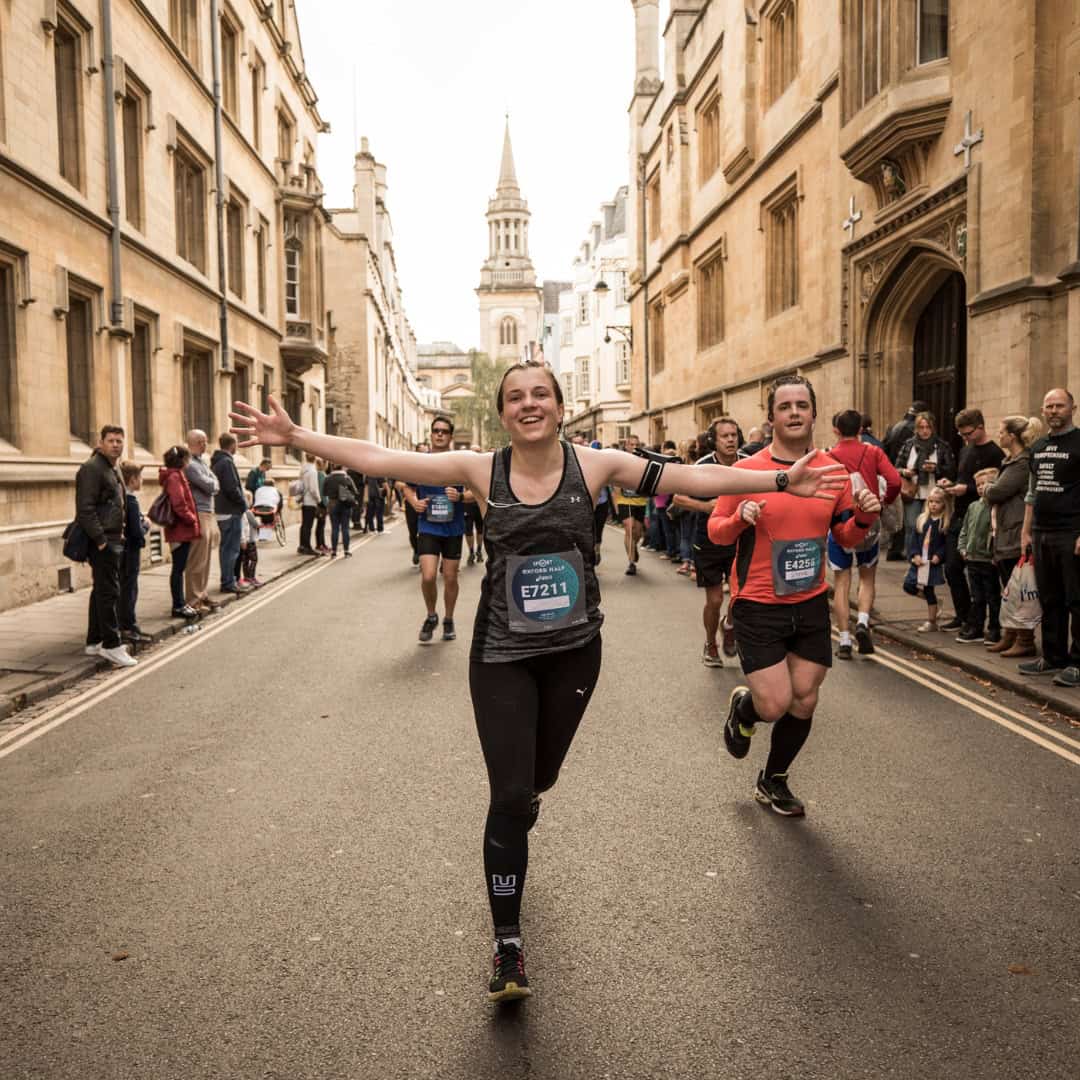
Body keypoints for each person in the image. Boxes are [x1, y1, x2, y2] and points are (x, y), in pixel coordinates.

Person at [229, 359, 843, 1003]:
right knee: (510, 798)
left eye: (541, 394)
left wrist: (780, 477)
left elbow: (689, 476)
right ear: (502, 413)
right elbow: (380, 458)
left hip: (575, 655)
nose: (530, 404)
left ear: (556, 405)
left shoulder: (597, 464)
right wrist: (296, 438)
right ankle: (508, 945)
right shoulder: (477, 469)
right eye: (516, 397)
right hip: (501, 655)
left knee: (539, 779)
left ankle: (531, 797)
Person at [711, 376, 881, 818]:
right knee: (774, 703)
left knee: (804, 697)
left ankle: (774, 779)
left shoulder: (834, 472)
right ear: (771, 417)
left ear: (814, 413)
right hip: (758, 602)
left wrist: (863, 517)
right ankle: (745, 711)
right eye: (784, 405)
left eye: (801, 405)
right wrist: (741, 520)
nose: (793, 412)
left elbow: (845, 537)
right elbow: (715, 529)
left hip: (808, 601)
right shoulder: (748, 472)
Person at [1019, 388, 1080, 687]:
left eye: (1060, 406)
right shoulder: (1039, 446)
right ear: (1043, 411)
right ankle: (1053, 657)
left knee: (1076, 599)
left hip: (1071, 532)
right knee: (1050, 598)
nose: (1054, 410)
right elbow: (1033, 492)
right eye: (1049, 406)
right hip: (1042, 531)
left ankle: (1078, 663)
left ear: (1073, 408)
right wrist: (1026, 530)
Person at [827, 409, 901, 659]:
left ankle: (845, 641)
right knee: (867, 578)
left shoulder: (829, 456)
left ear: (836, 430)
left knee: (841, 581)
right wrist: (883, 502)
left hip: (839, 523)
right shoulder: (873, 452)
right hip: (868, 521)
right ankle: (863, 621)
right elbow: (895, 481)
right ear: (861, 429)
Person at [672, 416, 741, 667]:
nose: (731, 440)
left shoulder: (747, 464)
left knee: (740, 596)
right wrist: (706, 506)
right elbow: (678, 498)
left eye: (734, 435)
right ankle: (711, 643)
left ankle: (730, 626)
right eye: (725, 436)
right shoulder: (701, 466)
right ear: (714, 440)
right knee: (714, 600)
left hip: (740, 539)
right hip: (709, 539)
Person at [937, 408, 1005, 635]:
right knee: (952, 568)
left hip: (982, 519)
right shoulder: (966, 450)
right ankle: (963, 615)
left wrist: (968, 488)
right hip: (960, 516)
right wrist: (952, 483)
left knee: (982, 578)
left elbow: (996, 487)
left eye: (968, 434)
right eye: (962, 435)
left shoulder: (995, 453)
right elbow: (962, 478)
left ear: (980, 427)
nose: (965, 438)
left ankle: (984, 624)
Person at [982, 414, 1044, 657]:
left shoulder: (1021, 464)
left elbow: (997, 491)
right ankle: (1010, 636)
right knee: (1008, 588)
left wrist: (986, 487)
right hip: (1007, 531)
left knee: (1017, 588)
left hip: (1016, 532)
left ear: (1012, 436)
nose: (998, 435)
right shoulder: (1012, 461)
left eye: (1001, 431)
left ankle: (1025, 640)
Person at [76, 425, 137, 668]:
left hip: (113, 538)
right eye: (111, 440)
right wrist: (101, 540)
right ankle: (112, 645)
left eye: (119, 441)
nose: (115, 445)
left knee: (101, 590)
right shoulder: (92, 468)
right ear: (101, 442)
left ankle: (94, 641)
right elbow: (85, 508)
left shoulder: (112, 468)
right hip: (104, 541)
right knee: (110, 592)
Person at [403, 416, 467, 643]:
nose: (439, 434)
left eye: (444, 431)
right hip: (428, 525)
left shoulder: (460, 462)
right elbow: (407, 487)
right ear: (431, 434)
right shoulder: (421, 461)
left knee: (450, 577)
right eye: (436, 431)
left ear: (450, 436)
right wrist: (414, 502)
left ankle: (448, 619)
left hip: (454, 528)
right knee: (428, 576)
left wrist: (460, 496)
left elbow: (477, 491)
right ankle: (431, 616)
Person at [896, 411, 955, 563]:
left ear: (932, 428)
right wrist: (905, 471)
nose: (924, 430)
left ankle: (930, 558)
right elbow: (897, 466)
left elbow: (951, 469)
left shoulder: (941, 446)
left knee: (933, 526)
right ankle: (913, 560)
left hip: (934, 492)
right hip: (913, 492)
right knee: (911, 526)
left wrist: (936, 469)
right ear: (916, 428)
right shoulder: (909, 445)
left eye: (927, 427)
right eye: (921, 427)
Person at [956, 468, 1001, 644]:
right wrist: (962, 548)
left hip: (988, 560)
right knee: (977, 598)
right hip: (972, 558)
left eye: (985, 483)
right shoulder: (973, 506)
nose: (981, 487)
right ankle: (977, 628)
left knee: (992, 597)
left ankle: (995, 629)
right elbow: (965, 530)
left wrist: (994, 554)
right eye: (979, 484)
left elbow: (997, 533)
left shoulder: (996, 507)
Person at [158, 445, 201, 620]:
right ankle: (178, 606)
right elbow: (179, 504)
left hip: (181, 529)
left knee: (180, 568)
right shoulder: (175, 477)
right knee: (178, 568)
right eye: (188, 459)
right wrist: (191, 519)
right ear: (182, 460)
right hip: (180, 529)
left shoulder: (176, 475)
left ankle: (181, 603)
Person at [883, 400, 929, 560]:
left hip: (894, 474)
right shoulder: (912, 431)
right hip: (911, 479)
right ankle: (908, 552)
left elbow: (885, 449)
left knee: (900, 515)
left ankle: (895, 549)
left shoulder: (894, 426)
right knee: (910, 518)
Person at [902, 486, 950, 632]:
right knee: (908, 586)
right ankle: (937, 603)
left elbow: (945, 545)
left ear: (944, 504)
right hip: (918, 562)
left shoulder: (944, 522)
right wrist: (914, 554)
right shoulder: (922, 519)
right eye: (931, 501)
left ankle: (932, 622)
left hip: (931, 563)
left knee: (929, 591)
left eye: (937, 502)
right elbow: (914, 540)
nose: (933, 505)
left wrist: (939, 556)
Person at [183, 429, 220, 613]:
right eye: (201, 441)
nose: (205, 445)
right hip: (198, 512)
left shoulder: (201, 462)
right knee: (197, 560)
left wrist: (212, 483)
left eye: (205, 441)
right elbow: (208, 484)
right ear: (192, 442)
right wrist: (212, 483)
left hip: (208, 512)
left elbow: (214, 481)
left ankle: (202, 594)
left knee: (205, 560)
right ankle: (193, 599)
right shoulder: (190, 464)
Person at [211, 433, 251, 595]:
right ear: (232, 444)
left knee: (225, 549)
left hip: (222, 510)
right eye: (237, 443)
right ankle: (228, 582)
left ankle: (227, 580)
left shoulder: (217, 461)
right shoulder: (226, 462)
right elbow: (231, 488)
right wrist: (243, 505)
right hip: (231, 511)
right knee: (231, 549)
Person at [118, 460, 151, 646]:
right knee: (129, 588)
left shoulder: (125, 499)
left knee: (126, 586)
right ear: (132, 479)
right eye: (140, 477)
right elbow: (136, 532)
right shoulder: (131, 501)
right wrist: (145, 525)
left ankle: (128, 624)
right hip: (131, 551)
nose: (142, 480)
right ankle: (128, 624)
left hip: (125, 550)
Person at [613, 433, 648, 575]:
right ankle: (631, 562)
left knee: (638, 532)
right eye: (631, 445)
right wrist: (616, 503)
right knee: (629, 527)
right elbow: (615, 482)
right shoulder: (620, 461)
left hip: (640, 501)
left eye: (636, 445)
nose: (634, 447)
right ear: (626, 446)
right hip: (624, 499)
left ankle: (634, 548)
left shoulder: (644, 461)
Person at [324, 462, 359, 557]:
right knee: (345, 528)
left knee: (334, 528)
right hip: (345, 505)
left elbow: (324, 492)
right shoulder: (347, 478)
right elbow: (355, 492)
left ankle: (334, 552)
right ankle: (346, 551)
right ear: (342, 467)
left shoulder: (328, 478)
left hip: (333, 505)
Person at [464, 445, 487, 566]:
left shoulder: (485, 468)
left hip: (480, 503)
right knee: (467, 530)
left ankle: (479, 550)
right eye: (473, 452)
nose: (475, 454)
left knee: (480, 529)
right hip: (467, 504)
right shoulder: (464, 468)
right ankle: (471, 552)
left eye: (478, 452)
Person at [297, 453, 321, 555]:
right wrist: (319, 500)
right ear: (314, 458)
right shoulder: (313, 471)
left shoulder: (303, 470)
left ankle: (302, 546)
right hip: (311, 501)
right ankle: (307, 547)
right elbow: (313, 489)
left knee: (304, 525)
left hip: (304, 500)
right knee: (308, 525)